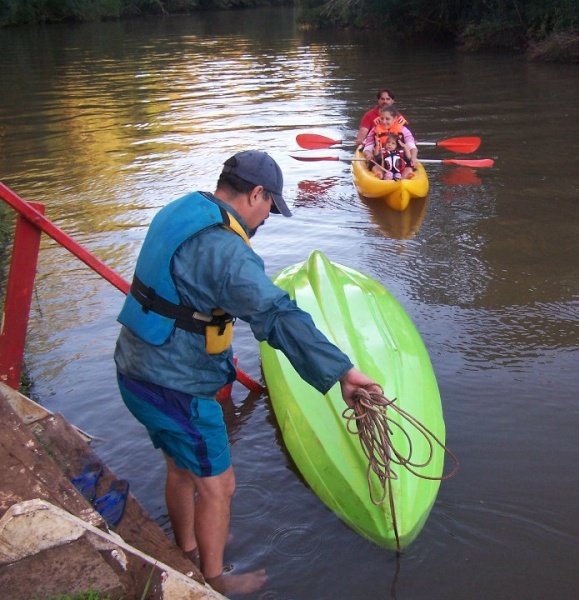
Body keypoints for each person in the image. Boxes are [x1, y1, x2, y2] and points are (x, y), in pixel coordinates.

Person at [114, 150, 381, 596]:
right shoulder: (228, 252)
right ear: (255, 193)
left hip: (135, 369)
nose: (267, 218)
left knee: (181, 466)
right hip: (175, 383)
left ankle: (189, 546)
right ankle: (213, 579)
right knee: (220, 485)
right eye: (269, 207)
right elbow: (276, 315)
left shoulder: (185, 208)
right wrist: (342, 373)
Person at [362, 105, 419, 180]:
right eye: (382, 118)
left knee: (409, 164)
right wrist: (369, 155)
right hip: (381, 158)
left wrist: (413, 158)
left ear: (395, 118)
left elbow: (412, 147)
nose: (384, 121)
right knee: (373, 162)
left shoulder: (403, 130)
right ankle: (380, 175)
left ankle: (404, 177)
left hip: (399, 159)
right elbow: (367, 148)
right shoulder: (374, 130)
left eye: (387, 119)